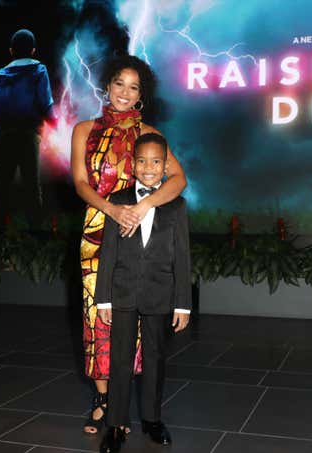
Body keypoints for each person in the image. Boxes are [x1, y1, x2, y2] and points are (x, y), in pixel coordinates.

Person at [70, 55, 187, 434]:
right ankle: (103, 400)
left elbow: (178, 180)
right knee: (96, 318)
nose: (124, 92)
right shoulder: (84, 129)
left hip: (138, 232)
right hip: (96, 232)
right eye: (119, 83)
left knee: (135, 327)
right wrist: (112, 210)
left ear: (141, 95)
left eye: (133, 87)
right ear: (107, 85)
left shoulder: (149, 135)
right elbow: (80, 184)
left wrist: (140, 207)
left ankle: (127, 405)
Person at [96, 133, 191, 453]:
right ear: (132, 165)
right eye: (142, 161)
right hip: (122, 292)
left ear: (166, 167)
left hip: (160, 293)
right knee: (120, 359)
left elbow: (182, 256)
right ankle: (115, 425)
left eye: (156, 162)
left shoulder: (176, 206)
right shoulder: (118, 201)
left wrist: (183, 304)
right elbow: (107, 252)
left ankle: (152, 419)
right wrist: (104, 297)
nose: (148, 167)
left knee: (155, 358)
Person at [0, 29, 55, 230]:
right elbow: (45, 100)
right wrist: (52, 121)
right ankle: (36, 231)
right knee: (31, 184)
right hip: (28, 133)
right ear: (33, 50)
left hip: (5, 133)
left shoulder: (2, 74)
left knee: (2, 184)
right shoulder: (39, 70)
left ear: (10, 51)